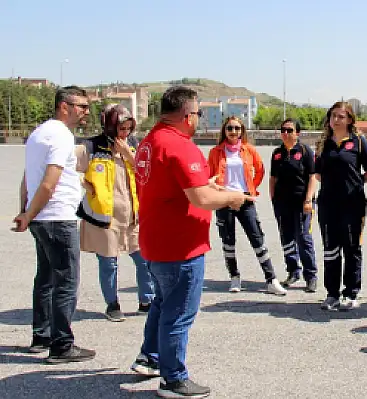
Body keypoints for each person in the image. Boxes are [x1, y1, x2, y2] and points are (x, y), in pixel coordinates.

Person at [129, 86, 253, 398]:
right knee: (178, 313)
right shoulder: (179, 145)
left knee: (162, 303)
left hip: (156, 242)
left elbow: (176, 186)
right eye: (197, 113)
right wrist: (232, 197)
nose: (198, 119)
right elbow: (202, 198)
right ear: (187, 116)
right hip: (179, 247)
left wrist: (205, 185)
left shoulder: (150, 141)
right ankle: (173, 379)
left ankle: (151, 357)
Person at [13, 86, 96, 363]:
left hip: (41, 217)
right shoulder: (60, 136)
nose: (86, 111)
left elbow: (28, 178)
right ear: (65, 106)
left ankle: (42, 336)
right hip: (57, 217)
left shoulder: (39, 133)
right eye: (82, 106)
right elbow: (49, 182)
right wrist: (29, 212)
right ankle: (61, 345)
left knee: (46, 279)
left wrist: (26, 210)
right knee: (66, 282)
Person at [76, 104, 154, 322]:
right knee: (109, 263)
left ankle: (147, 299)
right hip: (105, 216)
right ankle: (112, 304)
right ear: (110, 126)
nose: (125, 133)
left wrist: (128, 154)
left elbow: (146, 172)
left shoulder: (135, 145)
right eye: (122, 128)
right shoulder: (91, 146)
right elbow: (67, 169)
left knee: (144, 259)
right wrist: (85, 183)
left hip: (133, 215)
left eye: (129, 128)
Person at [207, 117, 286, 295]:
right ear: (224, 130)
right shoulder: (215, 152)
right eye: (229, 128)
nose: (233, 131)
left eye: (237, 128)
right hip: (224, 199)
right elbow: (208, 174)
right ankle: (234, 277)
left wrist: (251, 188)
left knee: (257, 237)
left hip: (245, 199)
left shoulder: (248, 150)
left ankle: (271, 279)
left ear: (242, 130)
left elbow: (260, 170)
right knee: (228, 240)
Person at [315, 101, 367, 311]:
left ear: (350, 119)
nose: (336, 120)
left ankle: (351, 293)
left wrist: (352, 184)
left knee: (352, 249)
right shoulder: (323, 143)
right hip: (327, 205)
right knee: (330, 249)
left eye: (341, 116)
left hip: (353, 205)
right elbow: (317, 173)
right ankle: (332, 294)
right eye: (333, 116)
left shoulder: (359, 141)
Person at [270, 118, 318, 293]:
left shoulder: (305, 151)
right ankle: (293, 271)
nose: (286, 133)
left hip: (302, 203)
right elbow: (273, 178)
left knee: (304, 238)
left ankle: (311, 276)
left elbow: (313, 176)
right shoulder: (277, 153)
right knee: (287, 239)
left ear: (297, 133)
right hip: (282, 204)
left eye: (290, 130)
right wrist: (273, 198)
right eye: (283, 130)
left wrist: (308, 200)